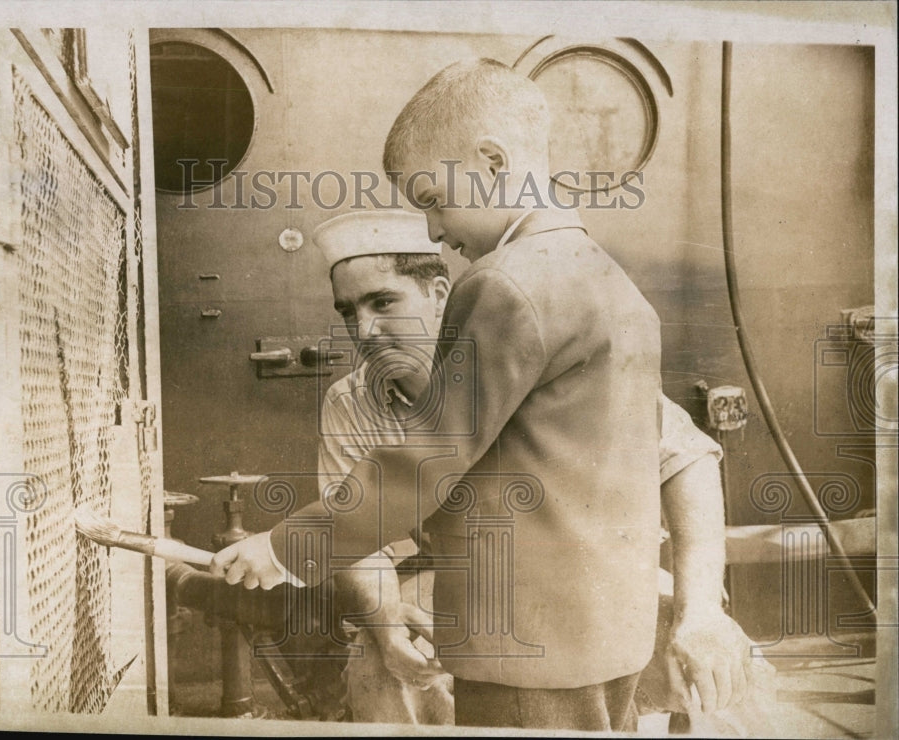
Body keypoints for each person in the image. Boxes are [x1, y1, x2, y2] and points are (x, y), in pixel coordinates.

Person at [211, 58, 754, 731]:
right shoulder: (610, 281)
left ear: (493, 162)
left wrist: (284, 549)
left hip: (521, 648)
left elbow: (425, 464)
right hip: (609, 639)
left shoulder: (503, 285)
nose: (435, 230)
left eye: (434, 199)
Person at [310, 210, 762, 728]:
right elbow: (353, 534)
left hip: (594, 571)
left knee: (724, 673)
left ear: (438, 294)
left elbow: (687, 459)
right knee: (384, 669)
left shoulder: (533, 346)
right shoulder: (350, 402)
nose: (363, 330)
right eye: (348, 311)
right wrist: (386, 622)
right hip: (453, 578)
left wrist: (699, 611)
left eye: (383, 302)